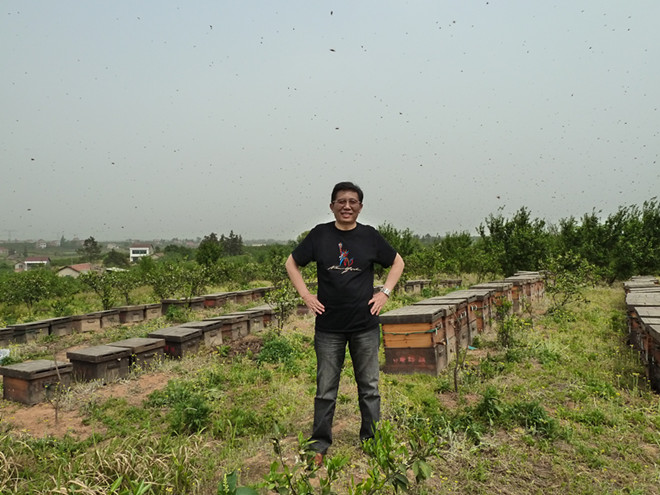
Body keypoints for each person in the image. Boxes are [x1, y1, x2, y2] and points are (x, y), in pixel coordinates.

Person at [285, 181, 405, 463]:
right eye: (341, 201)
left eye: (353, 201)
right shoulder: (320, 235)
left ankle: (372, 440)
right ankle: (319, 443)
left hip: (365, 325)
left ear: (360, 207)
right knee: (325, 389)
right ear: (332, 206)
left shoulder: (370, 236)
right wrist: (306, 295)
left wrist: (385, 293)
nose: (347, 206)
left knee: (370, 388)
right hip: (329, 327)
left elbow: (397, 262)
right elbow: (291, 263)